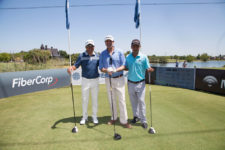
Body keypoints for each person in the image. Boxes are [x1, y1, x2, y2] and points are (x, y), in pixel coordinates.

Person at [116, 39, 154, 129]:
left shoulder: (144, 57)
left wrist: (149, 70)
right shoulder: (128, 57)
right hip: (130, 83)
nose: (135, 47)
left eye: (137, 46)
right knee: (133, 102)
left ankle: (143, 120)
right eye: (134, 46)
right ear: (131, 47)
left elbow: (148, 67)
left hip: (141, 83)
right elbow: (126, 67)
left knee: (141, 102)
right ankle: (136, 117)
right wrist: (119, 68)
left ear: (139, 47)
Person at [99, 35, 131, 128]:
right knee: (111, 99)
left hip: (119, 78)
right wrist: (107, 70)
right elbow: (101, 68)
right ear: (105, 43)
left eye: (110, 41)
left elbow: (124, 66)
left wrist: (116, 70)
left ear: (113, 42)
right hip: (108, 79)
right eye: (107, 41)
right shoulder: (102, 54)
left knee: (122, 100)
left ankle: (124, 121)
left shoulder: (120, 52)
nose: (108, 42)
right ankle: (114, 117)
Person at [67, 40, 99, 125]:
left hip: (95, 80)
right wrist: (71, 68)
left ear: (94, 47)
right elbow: (76, 65)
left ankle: (94, 116)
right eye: (88, 46)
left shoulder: (97, 56)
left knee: (94, 99)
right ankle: (84, 117)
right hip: (85, 80)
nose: (90, 48)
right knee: (85, 100)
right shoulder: (81, 55)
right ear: (86, 47)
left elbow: (102, 66)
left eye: (92, 46)